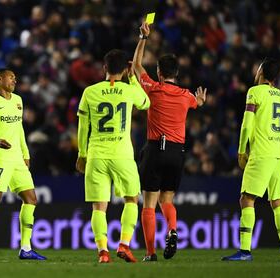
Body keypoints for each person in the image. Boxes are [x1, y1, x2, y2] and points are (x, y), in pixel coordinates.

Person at [132, 22, 207, 261]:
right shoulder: (186, 96)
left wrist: (143, 38)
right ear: (177, 73)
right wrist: (200, 102)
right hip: (177, 152)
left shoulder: (153, 89)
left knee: (149, 203)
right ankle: (172, 230)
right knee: (168, 199)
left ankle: (151, 253)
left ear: (159, 73)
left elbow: (135, 66)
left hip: (155, 148)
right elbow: (197, 103)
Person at [76, 49, 150, 263]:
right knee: (131, 199)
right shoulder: (128, 90)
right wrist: (133, 79)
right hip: (122, 155)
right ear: (125, 69)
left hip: (96, 155)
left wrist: (82, 154)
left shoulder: (90, 92)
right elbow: (146, 103)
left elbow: (83, 126)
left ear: (104, 68)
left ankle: (103, 252)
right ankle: (124, 245)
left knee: (99, 206)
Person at [222, 59, 280, 261]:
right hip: (279, 156)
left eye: (257, 68)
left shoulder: (254, 92)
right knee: (277, 202)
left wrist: (241, 151)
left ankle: (245, 251)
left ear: (262, 72)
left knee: (246, 199)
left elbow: (246, 125)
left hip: (261, 154)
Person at [0, 68, 46, 261]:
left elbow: (19, 129)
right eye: (11, 76)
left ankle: (26, 248)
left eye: (15, 76)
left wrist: (26, 153)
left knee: (31, 199)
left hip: (17, 158)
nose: (15, 79)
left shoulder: (18, 100)